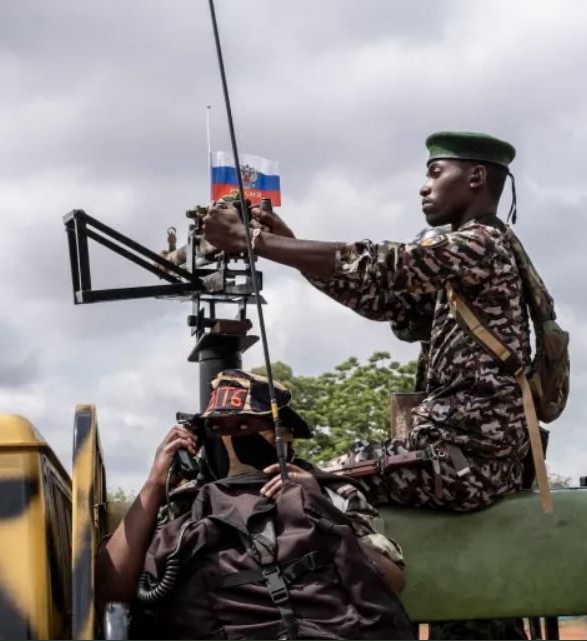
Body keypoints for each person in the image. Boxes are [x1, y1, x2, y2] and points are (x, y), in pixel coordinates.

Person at [203, 131, 531, 513]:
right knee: (307, 477)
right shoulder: (470, 260)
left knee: (305, 486)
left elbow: (380, 265)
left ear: (476, 177)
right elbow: (379, 299)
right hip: (457, 455)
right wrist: (288, 244)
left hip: (465, 463)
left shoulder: (480, 244)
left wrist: (252, 239)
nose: (424, 188)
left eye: (435, 173)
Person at [97, 370, 413, 640]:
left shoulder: (330, 492)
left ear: (283, 434)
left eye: (244, 426)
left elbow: (391, 582)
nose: (229, 439)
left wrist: (318, 505)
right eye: (217, 429)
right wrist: (155, 483)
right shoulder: (185, 504)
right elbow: (112, 590)